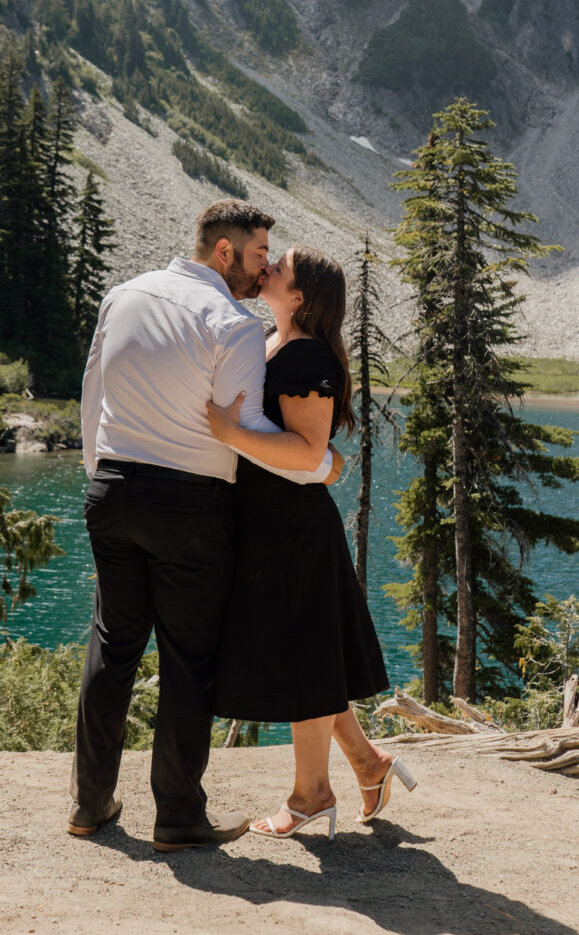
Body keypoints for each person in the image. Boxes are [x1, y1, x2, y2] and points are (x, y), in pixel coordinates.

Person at [68, 201, 342, 851]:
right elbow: (246, 432)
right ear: (225, 252)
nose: (262, 270)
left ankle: (89, 803)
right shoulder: (235, 325)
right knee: (188, 660)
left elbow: (91, 394)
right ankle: (178, 819)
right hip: (190, 507)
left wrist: (100, 476)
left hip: (110, 490)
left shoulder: (123, 294)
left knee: (111, 646)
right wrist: (322, 465)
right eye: (256, 256)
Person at [208, 245, 416, 838]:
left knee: (304, 661)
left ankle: (310, 797)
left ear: (298, 296)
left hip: (292, 531)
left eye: (282, 267)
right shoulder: (277, 345)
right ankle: (367, 761)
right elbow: (318, 458)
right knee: (314, 656)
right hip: (276, 527)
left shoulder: (305, 357)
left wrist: (226, 431)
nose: (268, 268)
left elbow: (307, 451)